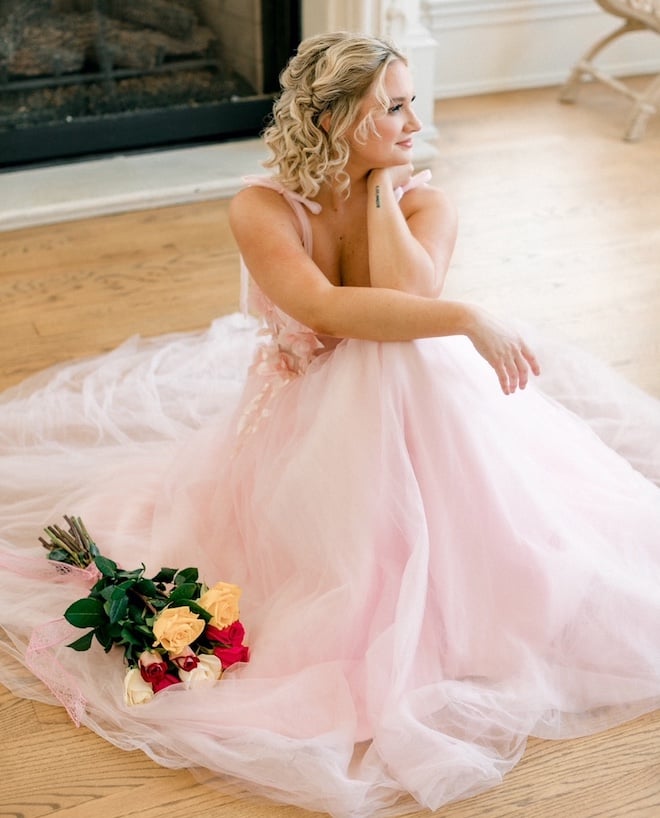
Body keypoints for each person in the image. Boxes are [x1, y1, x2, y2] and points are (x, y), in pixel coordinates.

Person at [0, 30, 658, 818]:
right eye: (392, 108)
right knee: (386, 357)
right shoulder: (262, 205)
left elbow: (407, 303)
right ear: (337, 117)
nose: (415, 121)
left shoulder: (424, 197)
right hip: (312, 413)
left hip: (423, 402)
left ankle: (460, 562)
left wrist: (381, 191)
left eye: (413, 102)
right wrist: (472, 315)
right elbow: (321, 309)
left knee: (402, 356)